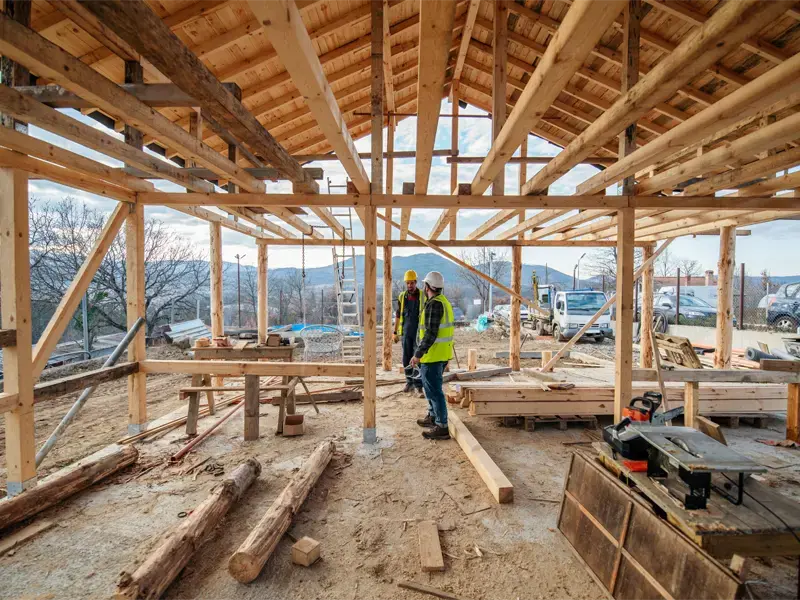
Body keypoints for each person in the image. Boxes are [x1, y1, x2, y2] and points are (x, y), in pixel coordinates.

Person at [410, 271, 454, 440]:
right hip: (439, 354)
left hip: (433, 356)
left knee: (434, 392)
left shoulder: (434, 304)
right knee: (430, 390)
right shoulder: (443, 302)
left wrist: (418, 354)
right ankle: (433, 416)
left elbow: (430, 334)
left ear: (427, 286)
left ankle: (442, 426)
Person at [394, 269, 425, 395]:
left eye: (411, 283)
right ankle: (409, 382)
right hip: (406, 333)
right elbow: (397, 315)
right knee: (406, 358)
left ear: (416, 282)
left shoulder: (423, 296)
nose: (409, 285)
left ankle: (418, 385)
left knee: (417, 359)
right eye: (407, 283)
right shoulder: (402, 296)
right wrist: (394, 332)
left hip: (418, 333)